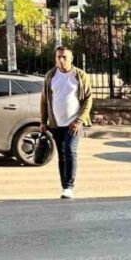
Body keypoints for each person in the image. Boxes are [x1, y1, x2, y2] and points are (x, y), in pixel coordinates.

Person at [40, 46, 93, 199]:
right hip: (56, 123)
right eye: (58, 57)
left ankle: (69, 186)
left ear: (71, 59)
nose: (61, 60)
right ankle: (64, 186)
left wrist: (79, 120)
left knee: (70, 151)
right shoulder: (50, 76)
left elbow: (88, 99)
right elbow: (44, 100)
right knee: (62, 155)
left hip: (73, 122)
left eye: (64, 57)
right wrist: (43, 121)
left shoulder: (80, 76)